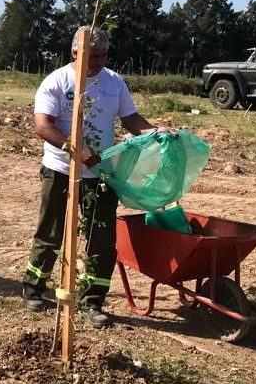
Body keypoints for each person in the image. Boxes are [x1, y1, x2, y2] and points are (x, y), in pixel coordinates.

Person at [23, 26, 172, 328]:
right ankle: (34, 288)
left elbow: (130, 118)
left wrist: (154, 131)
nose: (99, 62)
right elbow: (43, 125)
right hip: (60, 170)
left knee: (100, 238)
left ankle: (93, 301)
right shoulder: (57, 81)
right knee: (51, 232)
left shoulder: (114, 82)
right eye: (93, 56)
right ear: (75, 53)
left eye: (104, 55)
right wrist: (75, 149)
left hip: (101, 174)